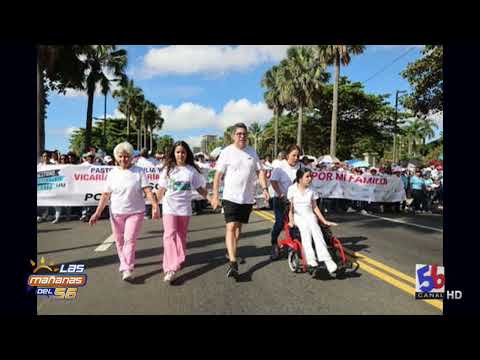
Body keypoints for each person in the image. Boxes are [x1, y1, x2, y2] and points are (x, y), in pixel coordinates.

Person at [89, 142, 159, 281]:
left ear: (131, 157)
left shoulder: (139, 171)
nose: (123, 159)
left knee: (129, 239)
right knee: (119, 241)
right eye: (120, 156)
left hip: (135, 211)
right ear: (116, 157)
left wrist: (155, 205)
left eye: (126, 156)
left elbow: (147, 190)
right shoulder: (112, 173)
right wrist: (97, 213)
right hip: (116, 212)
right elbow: (105, 195)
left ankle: (127, 268)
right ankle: (125, 263)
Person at [211, 123, 270, 280]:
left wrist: (264, 189)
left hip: (247, 198)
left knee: (238, 228)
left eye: (244, 133)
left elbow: (260, 171)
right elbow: (217, 176)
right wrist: (215, 195)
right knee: (231, 226)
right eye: (239, 134)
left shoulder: (252, 151)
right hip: (230, 197)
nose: (242, 136)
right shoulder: (227, 152)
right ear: (233, 136)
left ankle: (231, 251)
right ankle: (233, 262)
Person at [156, 141, 209, 283]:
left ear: (187, 154)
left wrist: (211, 198)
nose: (180, 155)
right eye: (178, 152)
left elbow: (200, 189)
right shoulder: (167, 169)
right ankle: (170, 268)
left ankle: (179, 258)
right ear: (174, 153)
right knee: (169, 235)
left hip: (184, 209)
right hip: (169, 207)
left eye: (183, 152)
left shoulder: (191, 170)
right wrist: (155, 206)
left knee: (181, 236)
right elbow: (161, 190)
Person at [287, 168, 338, 277]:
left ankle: (327, 260)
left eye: (311, 176)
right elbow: (290, 209)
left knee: (316, 230)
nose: (310, 179)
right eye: (307, 176)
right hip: (298, 216)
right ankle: (311, 260)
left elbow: (315, 207)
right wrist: (291, 221)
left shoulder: (312, 189)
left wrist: (324, 220)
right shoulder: (292, 189)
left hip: (310, 214)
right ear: (300, 179)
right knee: (305, 231)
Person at [269, 144, 302, 260]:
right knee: (279, 224)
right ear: (287, 155)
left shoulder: (300, 166)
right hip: (280, 200)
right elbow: (273, 181)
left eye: (298, 156)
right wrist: (280, 193)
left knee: (296, 223)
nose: (296, 158)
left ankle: (296, 244)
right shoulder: (280, 167)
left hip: (295, 200)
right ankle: (274, 243)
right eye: (294, 155)